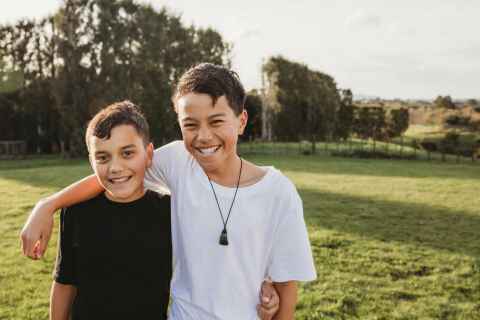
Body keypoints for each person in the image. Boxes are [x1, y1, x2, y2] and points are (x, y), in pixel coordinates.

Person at [22, 63, 314, 319]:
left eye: (216, 121)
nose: (203, 136)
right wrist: (48, 205)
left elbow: (287, 284)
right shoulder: (177, 161)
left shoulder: (279, 193)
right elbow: (119, 173)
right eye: (190, 124)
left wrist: (268, 295)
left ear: (241, 121)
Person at [49, 102, 172, 319]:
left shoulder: (169, 211)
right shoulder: (76, 211)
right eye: (103, 157)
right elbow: (65, 282)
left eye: (127, 153)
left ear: (148, 153)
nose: (115, 167)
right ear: (91, 162)